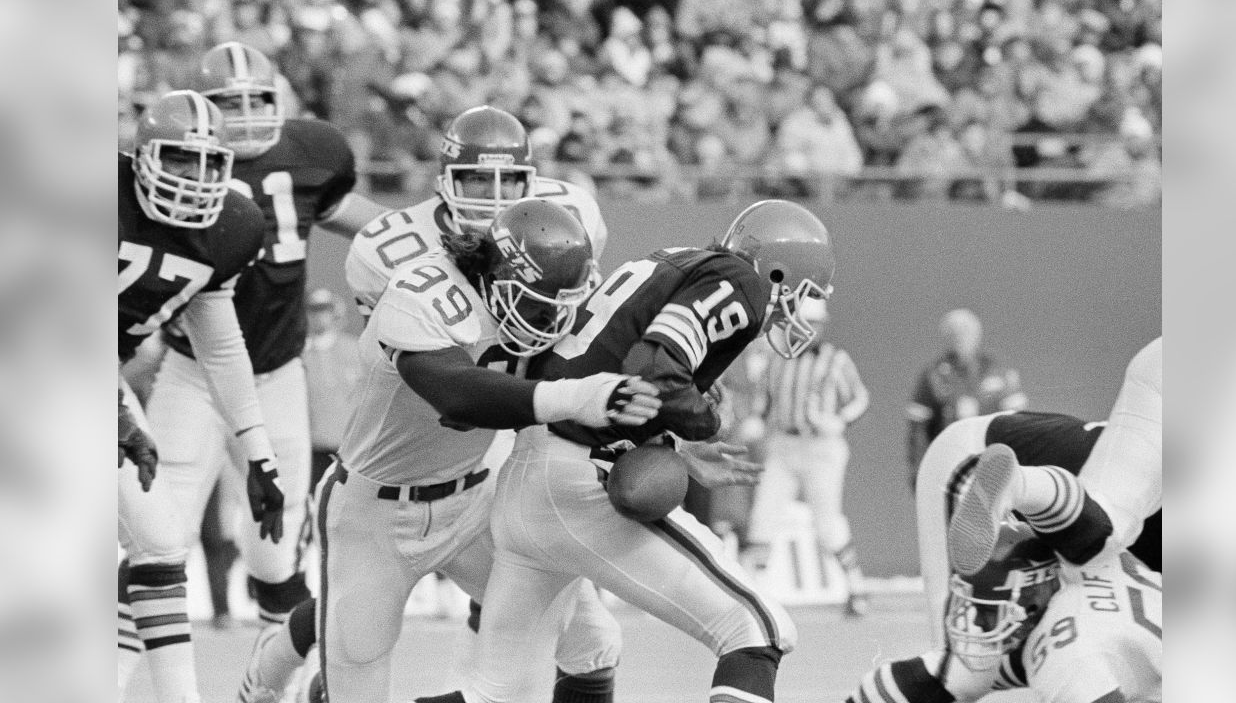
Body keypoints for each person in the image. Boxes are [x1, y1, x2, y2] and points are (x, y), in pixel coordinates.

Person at [414, 199, 835, 703]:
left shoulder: (670, 260)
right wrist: (704, 422)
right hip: (579, 478)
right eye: (802, 292)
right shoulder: (738, 279)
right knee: (756, 630)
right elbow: (656, 363)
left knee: (500, 693)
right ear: (777, 271)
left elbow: (621, 365)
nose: (797, 309)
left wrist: (672, 438)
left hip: (528, 475)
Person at [262, 199, 663, 703]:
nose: (553, 319)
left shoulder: (545, 305)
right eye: (539, 302)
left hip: (474, 498)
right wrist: (577, 398)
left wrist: (675, 412)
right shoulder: (419, 295)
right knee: (354, 678)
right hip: (374, 512)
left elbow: (621, 368)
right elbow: (460, 393)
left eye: (561, 303)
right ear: (496, 276)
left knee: (592, 642)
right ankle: (264, 680)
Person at [137, 43, 387, 666]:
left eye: (258, 100)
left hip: (275, 374)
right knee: (155, 539)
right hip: (191, 370)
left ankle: (276, 681)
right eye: (231, 103)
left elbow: (350, 215)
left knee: (277, 556)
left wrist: (424, 235)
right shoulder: (179, 162)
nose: (247, 115)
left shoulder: (310, 155)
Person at [118, 90, 283, 703]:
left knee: (161, 541)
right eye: (181, 161)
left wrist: (258, 450)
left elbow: (218, 341)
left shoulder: (234, 227)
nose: (197, 179)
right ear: (141, 157)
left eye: (211, 164)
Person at [913, 409, 1162, 648]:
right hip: (972, 457)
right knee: (957, 661)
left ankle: (1021, 486)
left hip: (1024, 459)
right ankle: (1019, 486)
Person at [844, 522, 1161, 703]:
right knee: (949, 675)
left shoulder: (1063, 651)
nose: (978, 621)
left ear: (1036, 592)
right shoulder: (1093, 557)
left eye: (989, 608)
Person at [346, 104, 607, 320]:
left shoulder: (571, 212)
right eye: (479, 179)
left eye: (507, 179)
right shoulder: (389, 250)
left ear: (527, 183)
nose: (495, 194)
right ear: (449, 182)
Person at [947, 337, 1162, 576]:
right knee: (1098, 542)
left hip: (984, 448)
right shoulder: (941, 374)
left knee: (1104, 531)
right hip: (977, 448)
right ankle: (1019, 488)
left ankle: (1021, 485)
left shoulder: (993, 370)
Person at [744, 297, 872, 616]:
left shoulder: (835, 359)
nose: (808, 330)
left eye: (814, 324)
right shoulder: (776, 358)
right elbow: (764, 398)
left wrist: (840, 421)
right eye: (803, 324)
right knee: (763, 515)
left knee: (827, 523)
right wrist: (758, 420)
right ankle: (751, 595)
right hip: (783, 445)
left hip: (821, 448)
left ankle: (856, 588)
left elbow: (859, 398)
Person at [906, 308, 1027, 490]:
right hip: (950, 463)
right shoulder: (933, 375)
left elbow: (1019, 423)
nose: (961, 338)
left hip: (993, 461)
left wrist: (1022, 464)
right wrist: (919, 471)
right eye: (954, 333)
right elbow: (918, 430)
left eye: (966, 332)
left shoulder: (998, 371)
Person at [301, 288, 362, 490]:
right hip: (313, 447)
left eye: (324, 309)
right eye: (314, 310)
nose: (319, 316)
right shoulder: (301, 354)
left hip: (348, 448)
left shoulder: (353, 349)